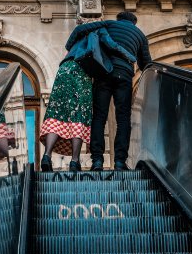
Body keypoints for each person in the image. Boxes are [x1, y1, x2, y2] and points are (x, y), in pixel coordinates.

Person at [40, 23, 136, 173]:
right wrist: (129, 56)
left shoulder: (78, 35)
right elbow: (112, 45)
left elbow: (67, 45)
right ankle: (74, 161)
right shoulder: (101, 30)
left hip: (64, 70)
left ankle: (46, 156)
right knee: (79, 115)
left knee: (57, 113)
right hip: (81, 73)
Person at [65, 11, 152, 171]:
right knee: (123, 119)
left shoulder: (110, 24)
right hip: (124, 76)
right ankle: (120, 162)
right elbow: (146, 64)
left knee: (99, 117)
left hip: (104, 73)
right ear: (134, 22)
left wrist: (69, 48)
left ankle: (97, 160)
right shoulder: (140, 35)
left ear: (119, 19)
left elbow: (78, 31)